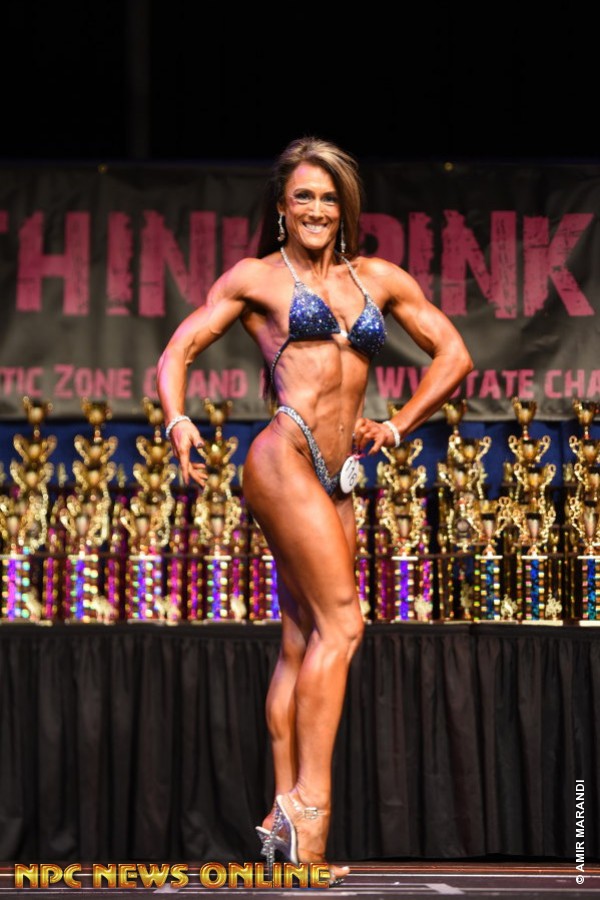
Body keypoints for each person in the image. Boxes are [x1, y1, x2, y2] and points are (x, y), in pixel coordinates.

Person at [156, 136, 473, 883]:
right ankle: (309, 812)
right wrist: (177, 419)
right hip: (284, 455)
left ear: (345, 208)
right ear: (282, 207)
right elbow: (179, 348)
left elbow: (455, 355)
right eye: (304, 196)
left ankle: (278, 812)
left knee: (302, 642)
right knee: (345, 625)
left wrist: (398, 425)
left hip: (341, 476)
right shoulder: (257, 278)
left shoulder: (379, 279)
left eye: (329, 198)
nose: (317, 209)